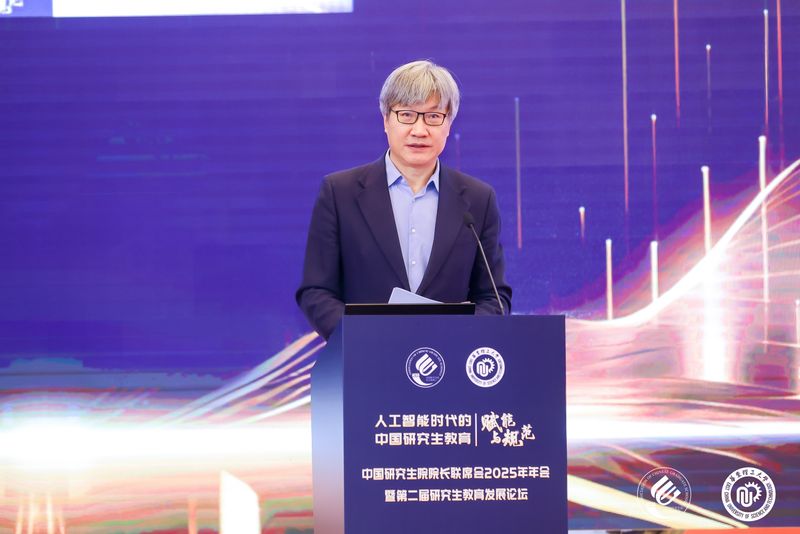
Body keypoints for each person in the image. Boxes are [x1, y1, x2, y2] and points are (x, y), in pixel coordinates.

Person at [296, 60, 511, 339]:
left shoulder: (478, 200)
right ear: (386, 120)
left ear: (449, 124)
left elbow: (494, 297)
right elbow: (316, 291)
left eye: (433, 116)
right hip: (365, 358)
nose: (419, 130)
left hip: (448, 359)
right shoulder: (339, 193)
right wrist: (364, 340)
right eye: (407, 115)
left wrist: (458, 338)